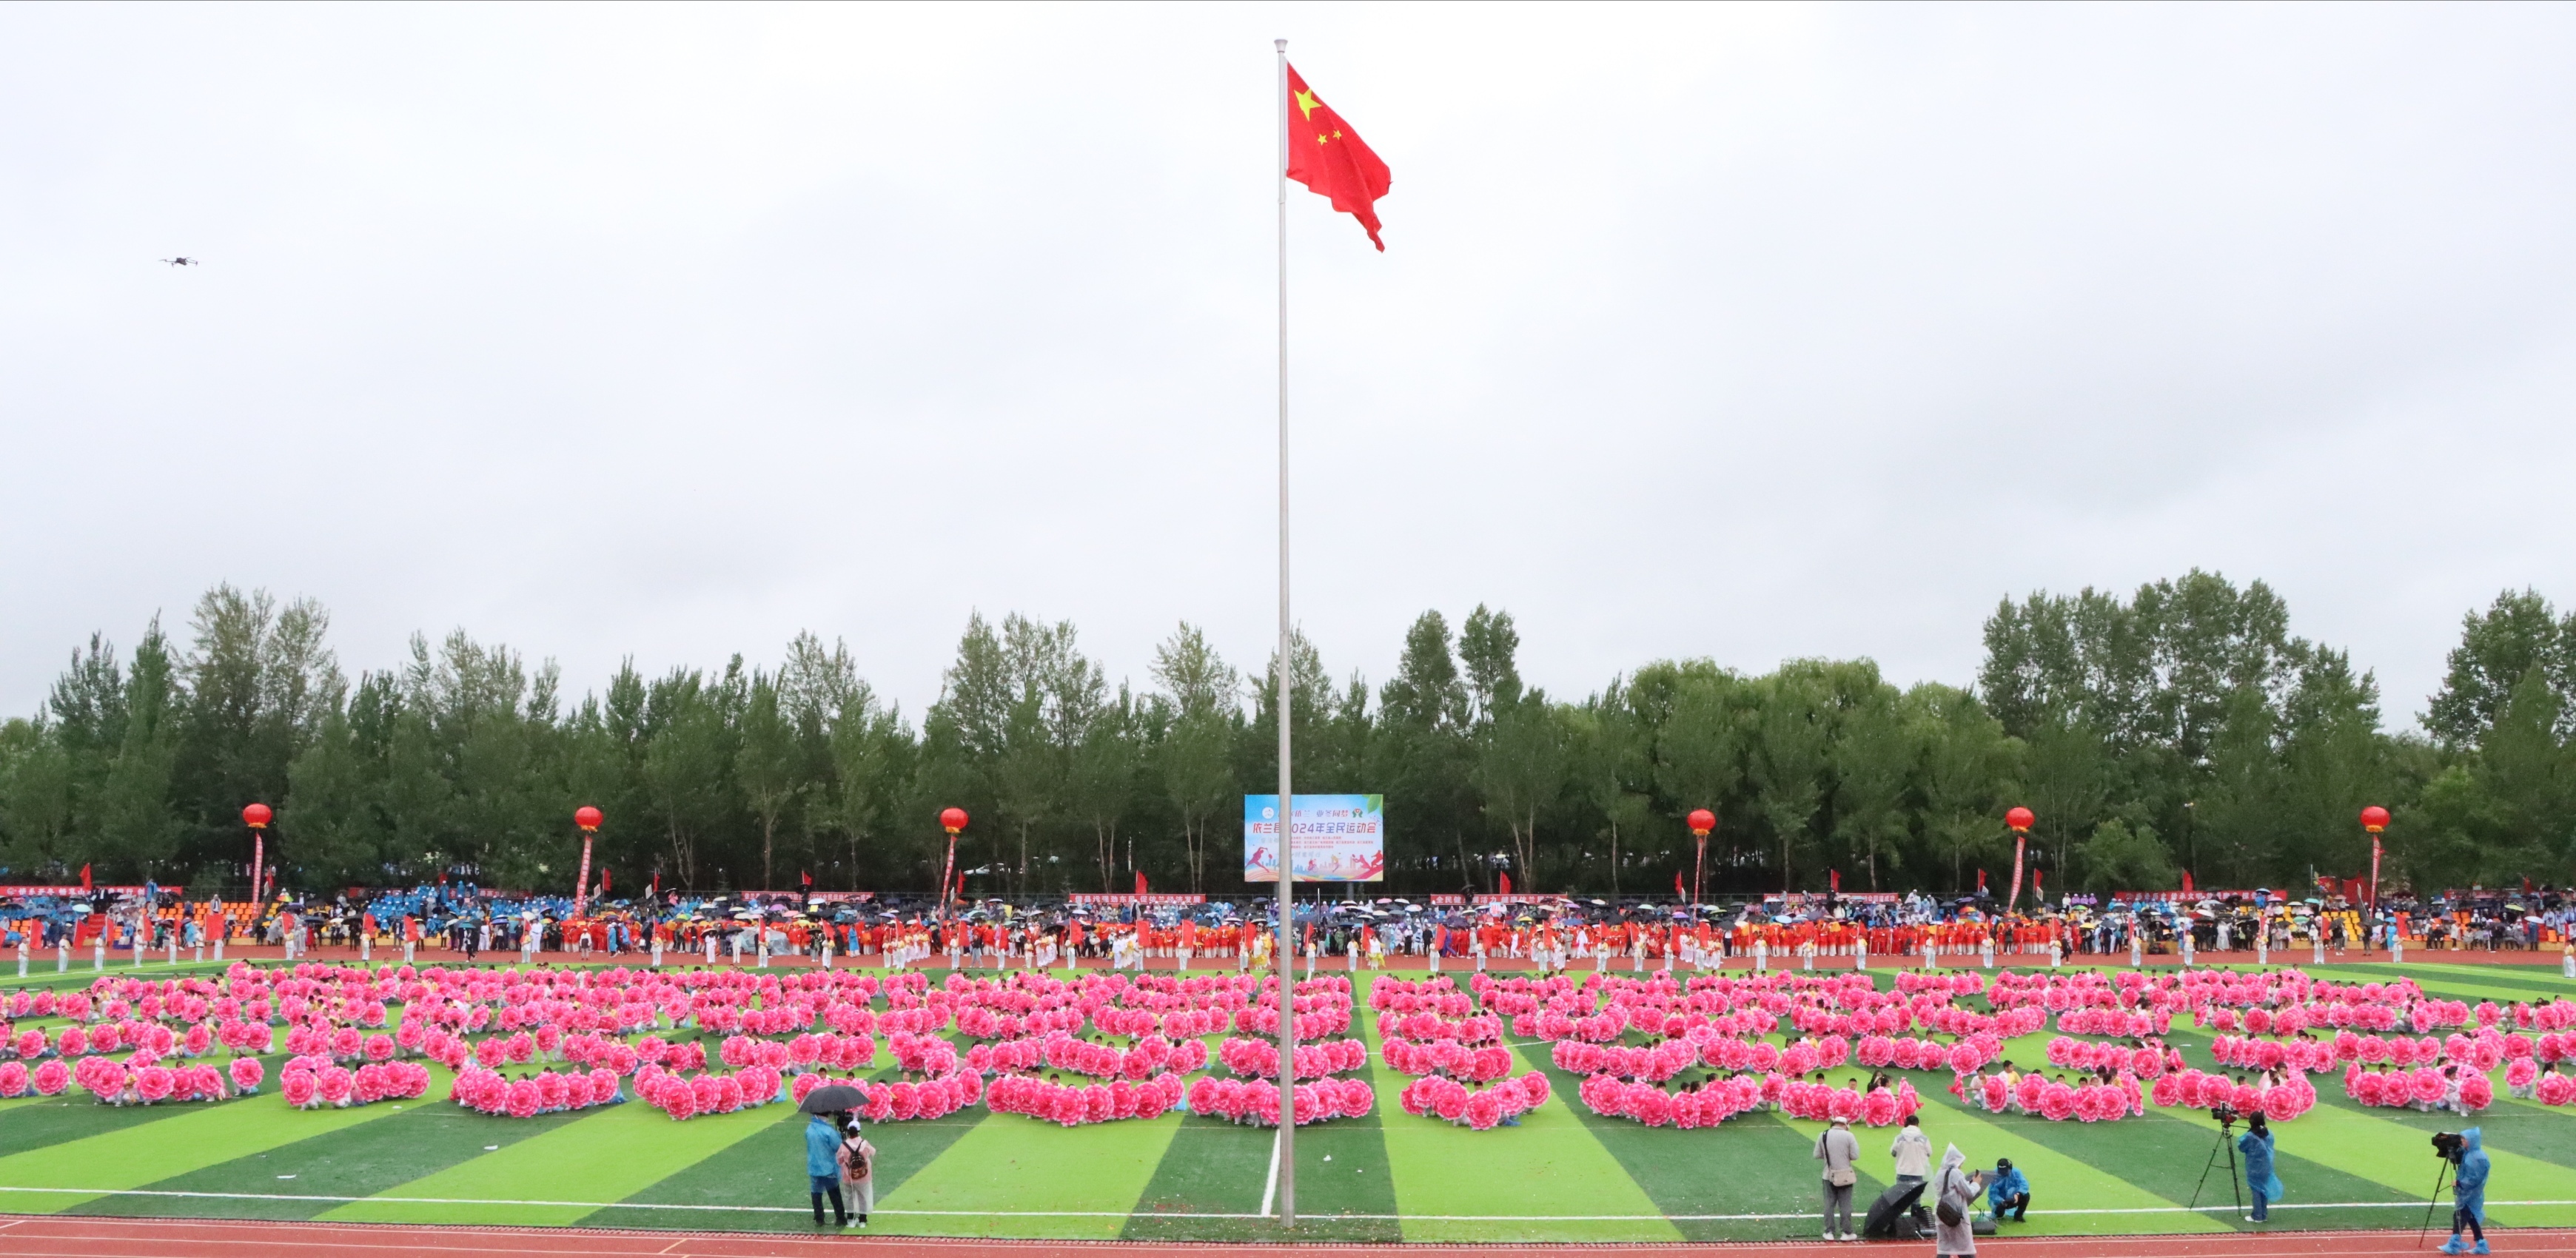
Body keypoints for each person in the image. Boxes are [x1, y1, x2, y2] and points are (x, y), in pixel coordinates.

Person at [2441, 1127, 2490, 1255]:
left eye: (2464, 1139)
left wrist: (2459, 1183)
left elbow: (2475, 1178)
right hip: (2468, 1193)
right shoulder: (2470, 1153)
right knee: (2471, 1217)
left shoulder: (2476, 1158)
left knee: (2460, 1216)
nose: (2462, 1141)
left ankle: (2454, 1244)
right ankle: (2481, 1243)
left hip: (2471, 1193)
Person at [1816, 1114, 1860, 1242]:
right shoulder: (1849, 1136)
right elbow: (1855, 1155)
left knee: (1829, 1204)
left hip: (1828, 1174)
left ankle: (1829, 1231)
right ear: (1845, 1125)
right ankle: (1846, 1232)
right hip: (1845, 1176)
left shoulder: (1823, 1135)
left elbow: (1817, 1154)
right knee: (1845, 1205)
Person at [1934, 1144, 1985, 1257]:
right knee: (1965, 1249)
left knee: (1944, 1248)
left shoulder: (1940, 1173)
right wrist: (1976, 1183)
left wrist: (1969, 1183)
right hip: (1955, 1215)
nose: (1961, 1165)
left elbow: (1951, 1188)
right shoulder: (1955, 1173)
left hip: (1941, 1214)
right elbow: (1969, 1192)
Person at [806, 1109, 851, 1227]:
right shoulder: (828, 1131)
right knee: (834, 1194)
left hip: (814, 1167)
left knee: (816, 1193)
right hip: (828, 1168)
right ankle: (840, 1218)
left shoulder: (809, 1129)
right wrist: (840, 1136)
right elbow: (838, 1146)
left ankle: (819, 1218)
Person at [2238, 1113, 2282, 1222]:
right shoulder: (2269, 1133)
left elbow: (2242, 1147)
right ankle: (2263, 1214)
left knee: (2256, 1190)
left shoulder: (2250, 1136)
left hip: (2254, 1167)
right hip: (2267, 1166)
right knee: (2264, 1189)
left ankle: (2257, 1216)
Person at [836, 1117, 876, 1228]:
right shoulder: (864, 1144)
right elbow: (873, 1152)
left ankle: (851, 1220)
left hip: (848, 1176)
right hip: (864, 1175)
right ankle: (862, 1220)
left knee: (849, 1197)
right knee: (863, 1196)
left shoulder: (844, 1145)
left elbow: (839, 1160)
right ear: (858, 1131)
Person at [1889, 1112, 1931, 1194]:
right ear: (1917, 1125)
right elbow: (1929, 1153)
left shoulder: (1899, 1138)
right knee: (1915, 1197)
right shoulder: (1924, 1139)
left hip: (1902, 1172)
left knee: (1901, 1197)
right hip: (1918, 1172)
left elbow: (1893, 1153)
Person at [1985, 1157, 2030, 1222]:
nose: (2003, 1173)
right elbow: (1992, 1194)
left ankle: (2018, 1216)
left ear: (2010, 1169)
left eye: (2005, 1171)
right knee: (1999, 1214)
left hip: (2014, 1198)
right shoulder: (1994, 1176)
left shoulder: (2016, 1172)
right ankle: (1998, 1213)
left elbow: (2024, 1184)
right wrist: (2002, 1201)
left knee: (2026, 1195)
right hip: (2000, 1201)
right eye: (2001, 1171)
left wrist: (2018, 1194)